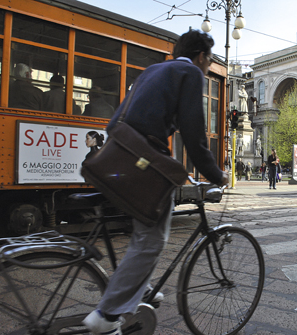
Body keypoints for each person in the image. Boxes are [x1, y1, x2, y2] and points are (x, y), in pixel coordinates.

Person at [82, 30, 228, 335]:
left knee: (142, 231)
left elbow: (121, 118)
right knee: (153, 239)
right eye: (209, 60)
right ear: (201, 56)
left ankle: (141, 291)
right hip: (141, 162)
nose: (207, 66)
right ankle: (106, 317)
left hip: (119, 156)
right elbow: (194, 134)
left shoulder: (154, 69)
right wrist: (216, 174)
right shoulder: (190, 72)